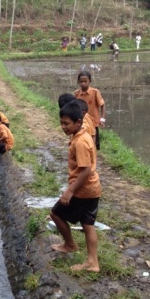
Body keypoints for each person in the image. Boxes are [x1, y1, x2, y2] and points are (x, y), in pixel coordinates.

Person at [49, 102, 102, 273]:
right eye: (61, 123)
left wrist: (70, 190)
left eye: (67, 123)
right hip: (93, 189)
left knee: (56, 213)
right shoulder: (81, 134)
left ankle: (70, 244)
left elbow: (85, 170)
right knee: (88, 224)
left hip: (83, 190)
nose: (63, 127)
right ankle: (92, 262)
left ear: (78, 122)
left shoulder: (80, 142)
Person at [74, 70, 106, 150]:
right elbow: (74, 107)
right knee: (82, 142)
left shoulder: (95, 92)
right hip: (82, 123)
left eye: (85, 81)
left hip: (93, 123)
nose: (83, 83)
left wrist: (102, 119)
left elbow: (102, 105)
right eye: (81, 81)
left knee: (94, 144)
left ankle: (93, 158)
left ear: (90, 81)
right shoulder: (77, 94)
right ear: (78, 82)